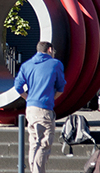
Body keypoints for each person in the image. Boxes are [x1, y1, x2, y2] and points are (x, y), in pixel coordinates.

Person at [13, 41, 66, 173]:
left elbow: (18, 86)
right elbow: (61, 87)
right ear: (50, 50)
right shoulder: (55, 64)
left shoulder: (27, 65)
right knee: (44, 144)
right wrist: (50, 99)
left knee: (34, 143)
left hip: (30, 109)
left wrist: (29, 98)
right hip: (45, 110)